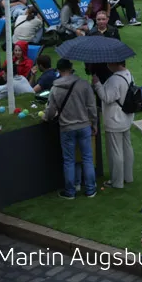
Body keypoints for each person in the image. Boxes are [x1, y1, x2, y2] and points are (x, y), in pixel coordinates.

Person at [44, 58, 98, 200]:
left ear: (59, 70)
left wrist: (46, 118)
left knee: (69, 160)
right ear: (71, 68)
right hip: (84, 126)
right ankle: (91, 190)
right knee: (87, 158)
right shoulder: (83, 84)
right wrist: (94, 124)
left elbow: (50, 110)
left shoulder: (55, 88)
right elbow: (92, 107)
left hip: (66, 128)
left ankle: (70, 191)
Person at [94, 59, 135, 189]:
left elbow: (107, 97)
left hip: (115, 120)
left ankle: (117, 181)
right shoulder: (129, 74)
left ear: (114, 63)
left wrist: (97, 84)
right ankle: (128, 176)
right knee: (127, 148)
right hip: (126, 117)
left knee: (116, 152)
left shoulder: (114, 80)